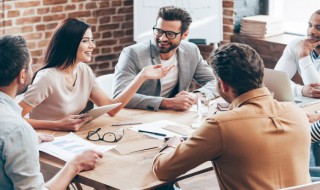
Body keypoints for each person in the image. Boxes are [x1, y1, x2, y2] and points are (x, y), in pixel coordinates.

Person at [152, 43, 311, 189]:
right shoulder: (296, 113)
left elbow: (163, 170)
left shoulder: (221, 125)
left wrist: (171, 144)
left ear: (222, 84)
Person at [19, 18, 173, 131]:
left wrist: (142, 76)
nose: (92, 45)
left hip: (70, 139)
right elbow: (12, 120)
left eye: (91, 40)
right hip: (44, 141)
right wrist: (57, 125)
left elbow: (111, 109)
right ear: (70, 44)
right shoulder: (47, 78)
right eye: (85, 41)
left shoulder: (84, 71)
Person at [0, 35, 103, 190]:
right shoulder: (18, 129)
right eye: (30, 67)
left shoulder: (16, 131)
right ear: (22, 76)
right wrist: (75, 165)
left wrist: (27, 141)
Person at [113, 6, 218, 111]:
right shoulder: (132, 54)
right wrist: (166, 103)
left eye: (170, 34)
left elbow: (215, 82)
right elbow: (119, 96)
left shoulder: (191, 51)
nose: (162, 38)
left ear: (184, 35)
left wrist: (195, 96)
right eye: (159, 31)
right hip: (140, 115)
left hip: (174, 116)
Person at [275, 9, 320, 98]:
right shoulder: (297, 45)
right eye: (310, 25)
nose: (311, 31)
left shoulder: (303, 50)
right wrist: (300, 90)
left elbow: (317, 91)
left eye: (318, 27)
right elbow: (276, 81)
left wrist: (304, 56)